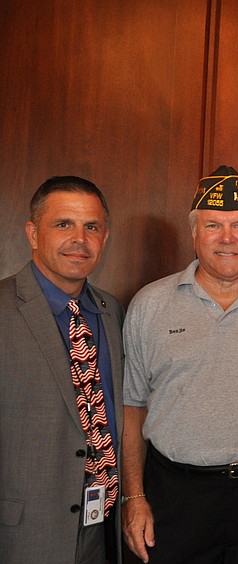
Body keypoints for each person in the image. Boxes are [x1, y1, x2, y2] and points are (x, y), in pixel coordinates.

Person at [121, 166, 238, 563]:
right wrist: (133, 497)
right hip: (173, 497)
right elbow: (132, 407)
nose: (226, 238)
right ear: (193, 233)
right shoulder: (149, 305)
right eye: (212, 225)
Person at [0, 176, 123, 563]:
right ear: (33, 233)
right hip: (22, 535)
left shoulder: (111, 311)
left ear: (105, 236)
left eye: (91, 227)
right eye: (63, 224)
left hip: (101, 528)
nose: (79, 239)